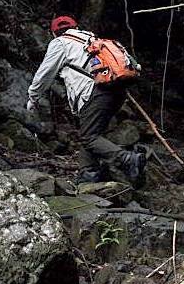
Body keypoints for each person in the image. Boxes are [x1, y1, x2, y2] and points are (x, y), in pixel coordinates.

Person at [27, 16, 145, 184]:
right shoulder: (93, 39)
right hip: (116, 91)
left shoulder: (61, 43)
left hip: (95, 92)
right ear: (76, 27)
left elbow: (45, 73)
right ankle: (88, 173)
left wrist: (33, 96)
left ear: (54, 33)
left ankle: (127, 159)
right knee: (90, 132)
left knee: (89, 137)